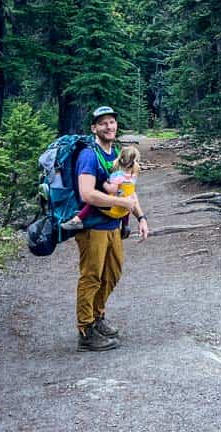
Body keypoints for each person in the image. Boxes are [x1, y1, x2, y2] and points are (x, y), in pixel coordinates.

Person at [74, 106, 149, 352]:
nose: (109, 127)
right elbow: (87, 193)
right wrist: (120, 203)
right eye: (103, 123)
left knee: (112, 274)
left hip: (114, 225)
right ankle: (85, 331)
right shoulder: (89, 155)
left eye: (112, 122)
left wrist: (140, 216)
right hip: (92, 227)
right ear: (94, 128)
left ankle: (97, 317)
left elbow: (128, 189)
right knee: (91, 276)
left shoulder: (116, 153)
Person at [61, 145, 141, 232]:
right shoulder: (133, 176)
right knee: (127, 199)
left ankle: (77, 220)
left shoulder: (118, 176)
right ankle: (125, 225)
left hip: (114, 209)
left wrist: (103, 183)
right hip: (125, 210)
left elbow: (112, 189)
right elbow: (127, 191)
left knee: (94, 201)